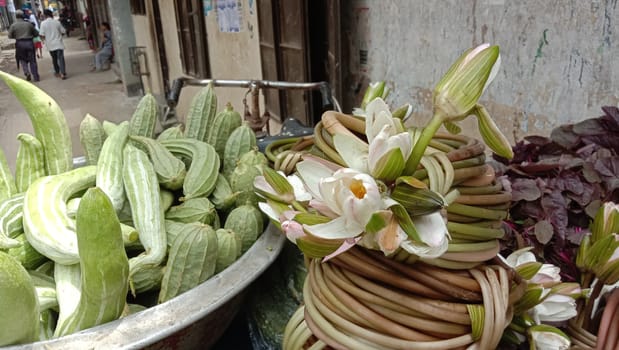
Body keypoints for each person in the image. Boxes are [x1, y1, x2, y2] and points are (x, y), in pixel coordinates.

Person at [8, 10, 40, 82]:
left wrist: (16, 36)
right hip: (29, 43)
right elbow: (36, 33)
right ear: (23, 16)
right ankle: (36, 76)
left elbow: (9, 36)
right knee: (32, 60)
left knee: (22, 59)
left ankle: (27, 72)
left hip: (20, 44)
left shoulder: (13, 25)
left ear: (16, 17)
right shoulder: (28, 24)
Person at [39, 9, 67, 79]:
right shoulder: (57, 22)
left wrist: (43, 40)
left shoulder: (43, 23)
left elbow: (42, 35)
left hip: (50, 44)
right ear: (51, 14)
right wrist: (60, 35)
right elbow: (63, 31)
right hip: (58, 43)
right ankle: (63, 73)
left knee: (54, 59)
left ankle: (57, 72)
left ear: (45, 15)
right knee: (61, 58)